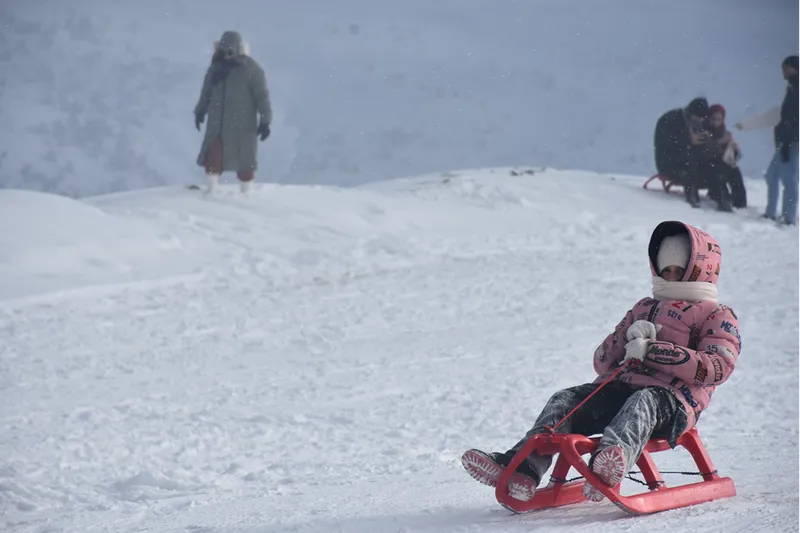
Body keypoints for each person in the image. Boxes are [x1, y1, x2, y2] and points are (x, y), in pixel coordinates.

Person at [461, 221, 741, 503]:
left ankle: (607, 466)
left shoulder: (716, 315)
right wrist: (626, 338)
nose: (669, 277)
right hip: (619, 391)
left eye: (677, 271)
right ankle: (522, 468)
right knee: (565, 400)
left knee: (643, 401)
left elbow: (717, 368)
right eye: (664, 270)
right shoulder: (644, 307)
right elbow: (602, 363)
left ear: (698, 269)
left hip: (673, 403)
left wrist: (652, 350)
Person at [194, 31, 272, 195]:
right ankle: (211, 190)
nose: (227, 55)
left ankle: (247, 192)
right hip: (217, 124)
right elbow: (206, 93)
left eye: (230, 51)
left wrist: (265, 121)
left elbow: (262, 97)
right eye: (224, 51)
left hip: (243, 125)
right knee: (213, 156)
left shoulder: (251, 70)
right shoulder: (215, 69)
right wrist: (200, 111)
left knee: (245, 160)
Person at [735, 55, 800, 225]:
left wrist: (788, 140)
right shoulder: (792, 88)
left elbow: (794, 119)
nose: (783, 71)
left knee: (789, 179)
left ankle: (788, 217)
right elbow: (780, 115)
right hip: (785, 141)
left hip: (792, 142)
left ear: (793, 68)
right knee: (772, 175)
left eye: (785, 68)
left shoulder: (797, 89)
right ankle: (771, 212)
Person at [654, 98, 730, 210]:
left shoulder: (692, 121)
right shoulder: (671, 120)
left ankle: (722, 198)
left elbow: (700, 143)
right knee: (691, 161)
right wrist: (689, 140)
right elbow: (667, 144)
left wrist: (716, 142)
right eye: (699, 117)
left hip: (686, 158)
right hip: (668, 162)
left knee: (714, 164)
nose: (701, 120)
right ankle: (692, 198)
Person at [704, 104, 746, 209]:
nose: (716, 122)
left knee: (734, 170)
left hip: (721, 163)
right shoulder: (704, 131)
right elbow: (703, 150)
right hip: (705, 166)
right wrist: (718, 143)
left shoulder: (724, 133)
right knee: (717, 171)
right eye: (713, 119)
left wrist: (734, 150)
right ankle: (723, 199)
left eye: (719, 119)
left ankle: (739, 201)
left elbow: (733, 157)